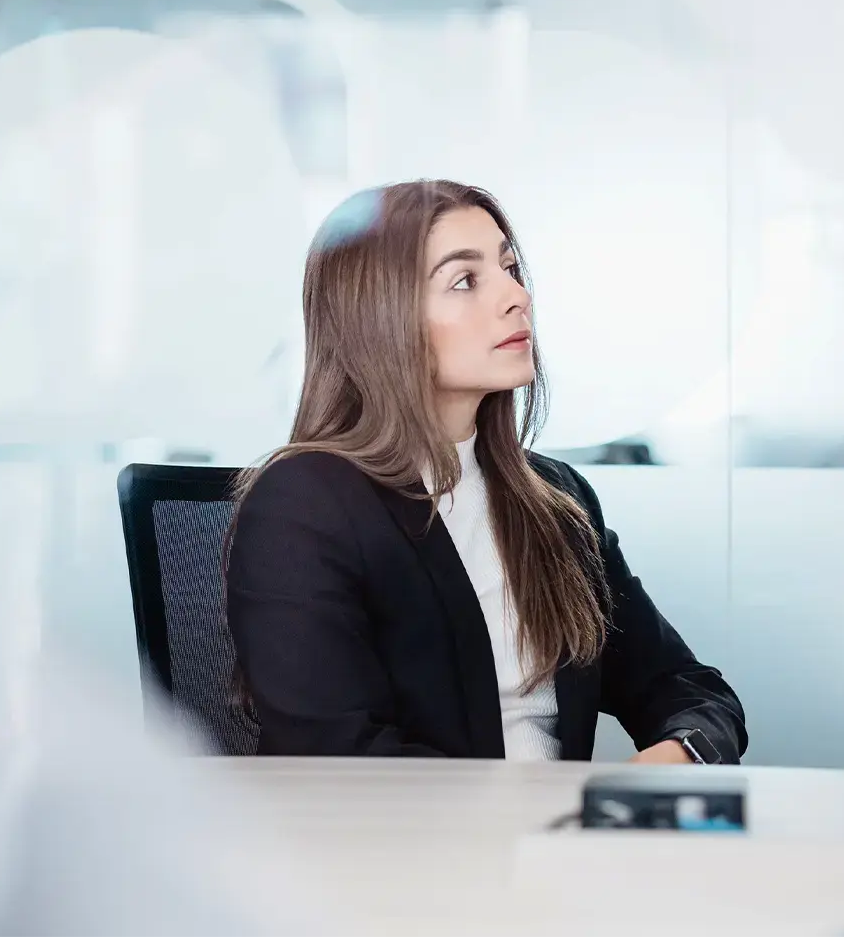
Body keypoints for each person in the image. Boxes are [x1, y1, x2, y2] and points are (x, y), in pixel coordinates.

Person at [226, 180, 747, 764]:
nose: (515, 296)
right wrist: (537, 819)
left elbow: (691, 690)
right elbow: (335, 754)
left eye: (510, 268)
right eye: (465, 280)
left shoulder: (556, 499)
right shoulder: (305, 502)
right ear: (380, 319)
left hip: (561, 845)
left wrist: (672, 757)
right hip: (413, 848)